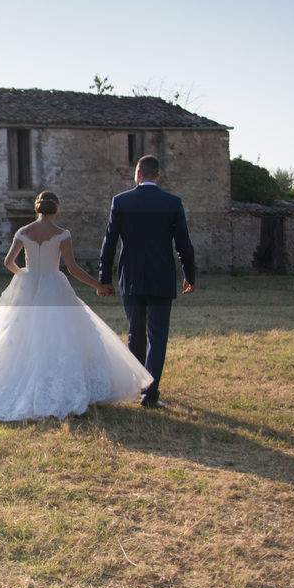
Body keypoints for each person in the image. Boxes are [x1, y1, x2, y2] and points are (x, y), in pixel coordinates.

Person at [0, 191, 153, 421]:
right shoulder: (62, 234)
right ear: (56, 210)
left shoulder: (23, 232)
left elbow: (8, 262)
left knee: (22, 337)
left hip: (30, 286)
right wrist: (98, 285)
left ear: (37, 209)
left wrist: (25, 276)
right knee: (60, 336)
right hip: (55, 285)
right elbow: (73, 269)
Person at [97, 155, 196, 409]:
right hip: (161, 277)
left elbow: (109, 243)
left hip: (131, 276)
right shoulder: (173, 203)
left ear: (137, 175)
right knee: (158, 336)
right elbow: (184, 244)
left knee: (135, 333)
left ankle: (136, 386)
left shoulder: (121, 201)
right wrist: (189, 274)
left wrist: (104, 278)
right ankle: (150, 394)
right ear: (158, 176)